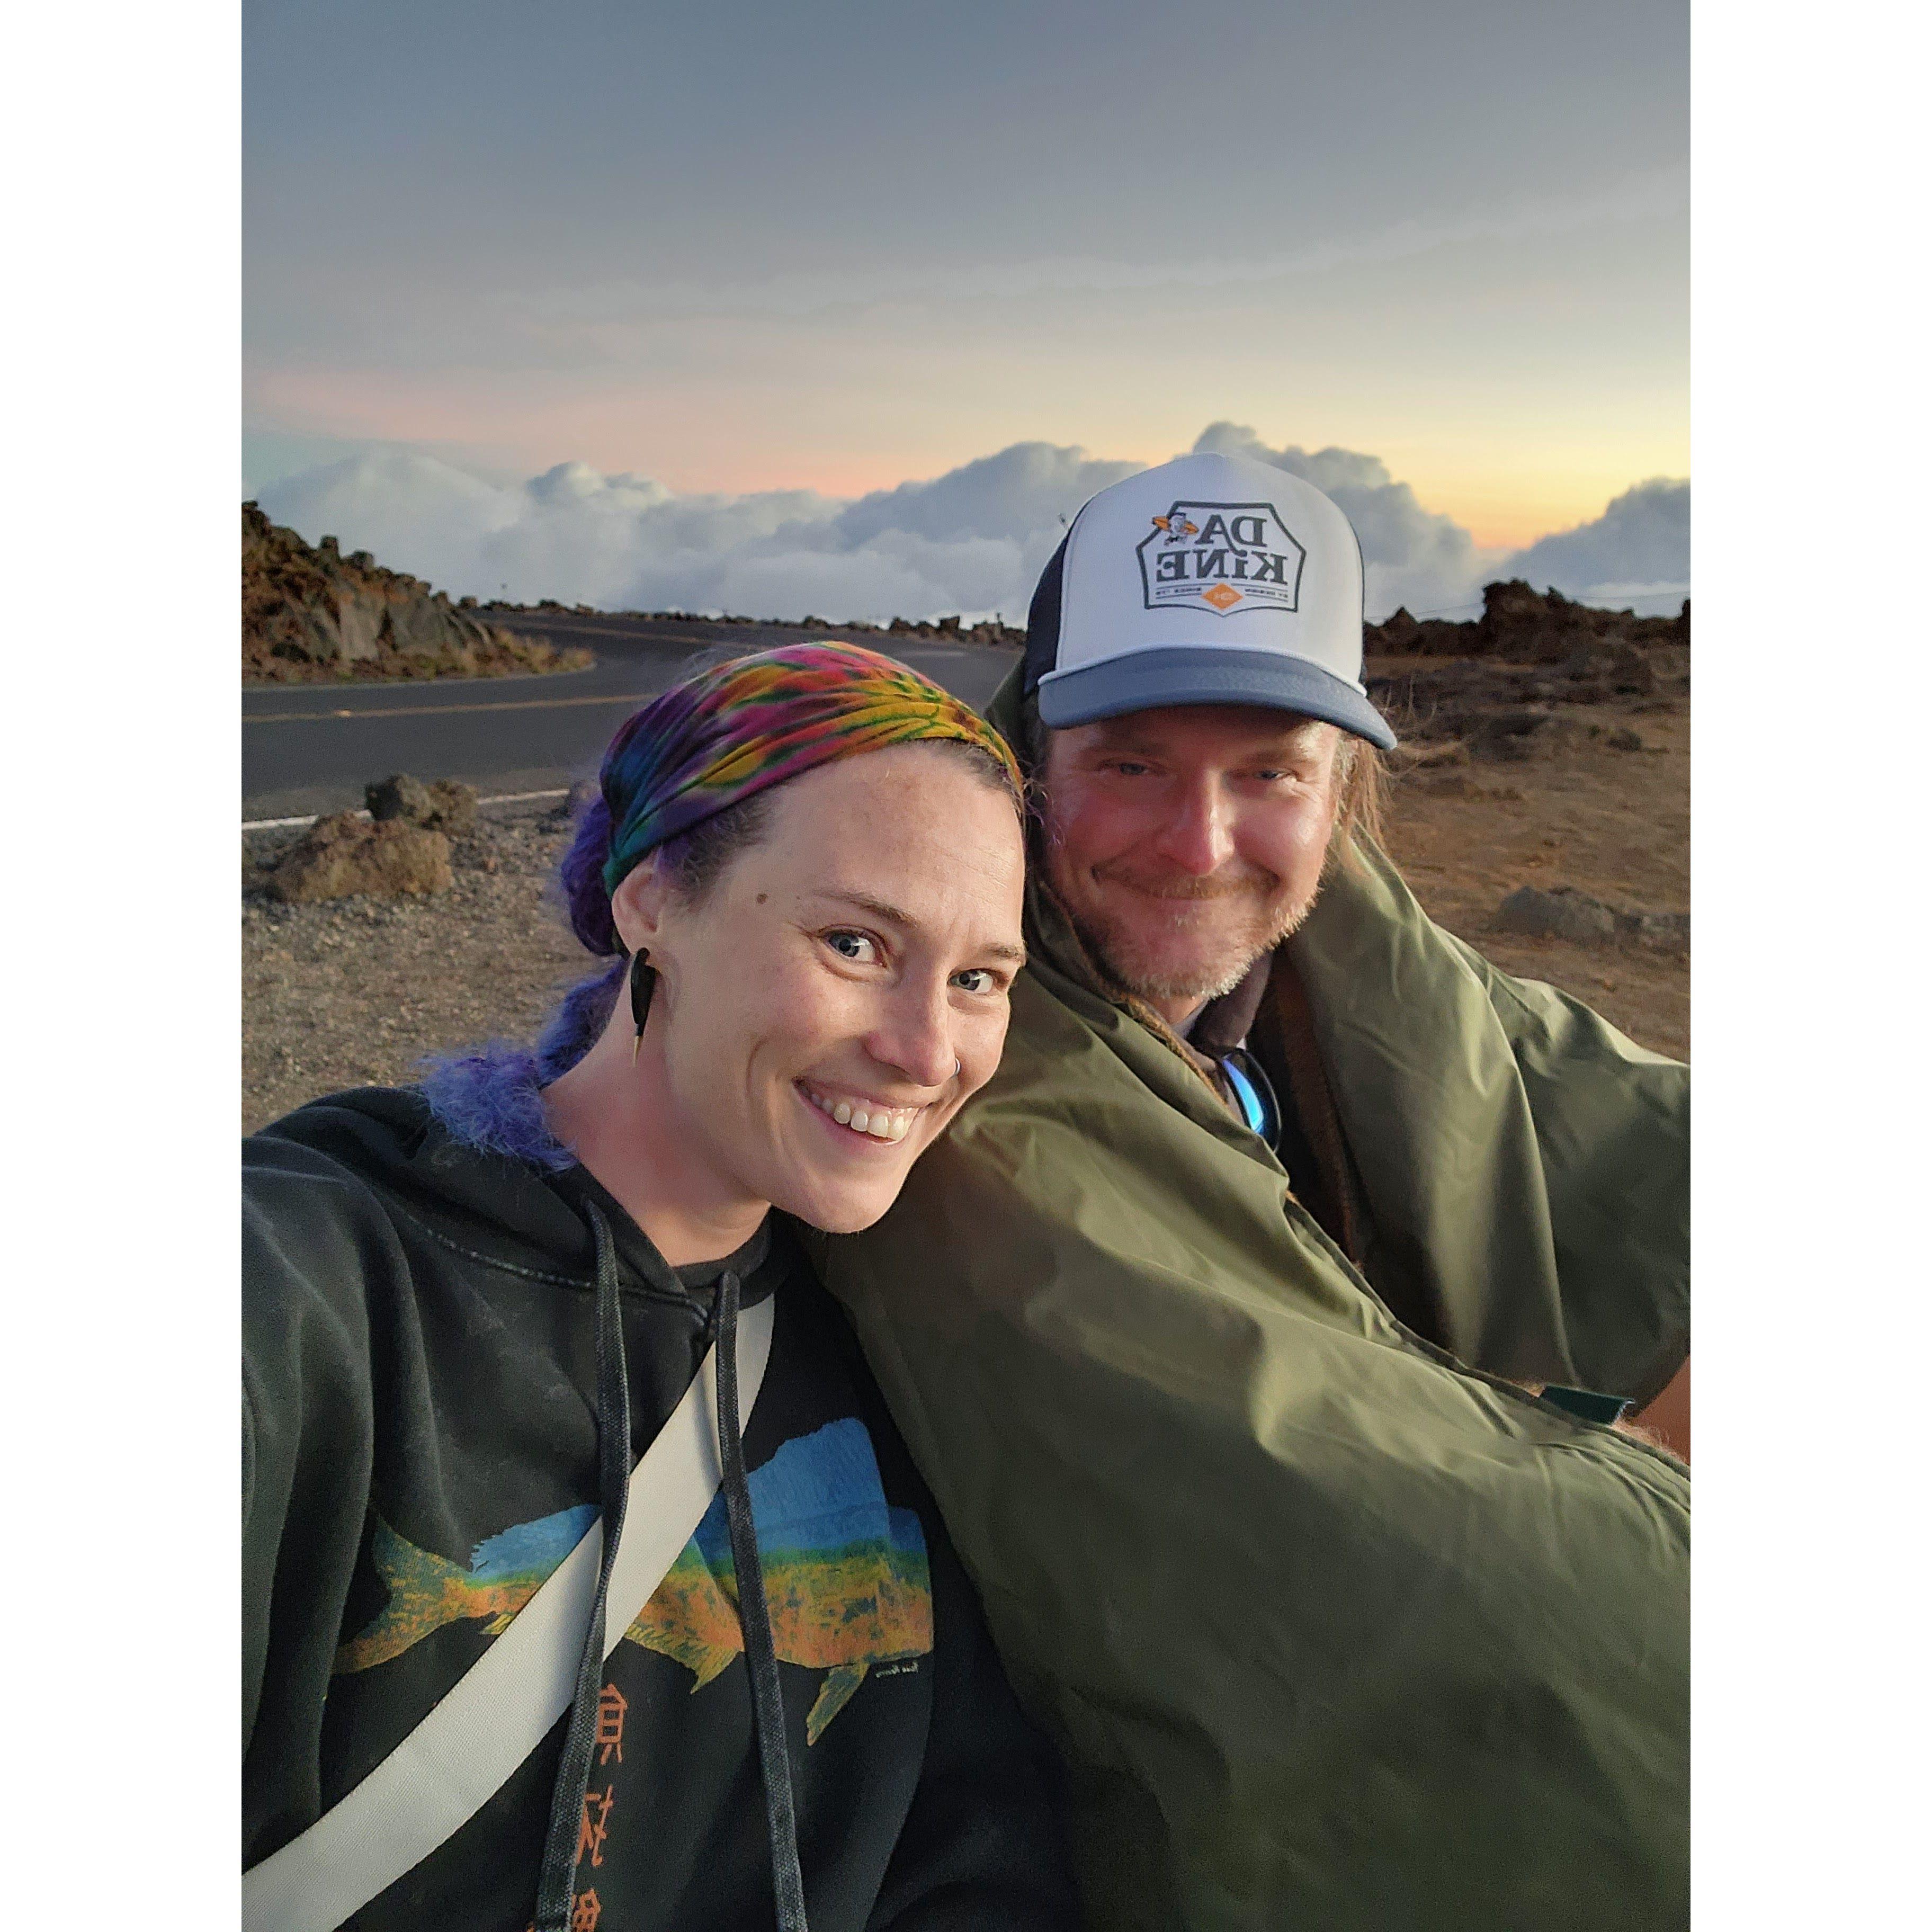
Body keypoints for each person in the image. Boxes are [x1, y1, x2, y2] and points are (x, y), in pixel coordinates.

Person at [815, 454, 1691, 1931]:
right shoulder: (958, 1078)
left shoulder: (1330, 969)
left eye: (1269, 772)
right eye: (1133, 763)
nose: (1200, 847)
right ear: (1034, 760)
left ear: (1341, 791)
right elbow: (1428, 1580)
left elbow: (1576, 1090)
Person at [243, 643, 1078, 1932]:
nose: (926, 1049)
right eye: (854, 941)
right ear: (651, 906)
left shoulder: (903, 1335)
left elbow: (969, 1848)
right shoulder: (317, 1286)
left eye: (978, 979)